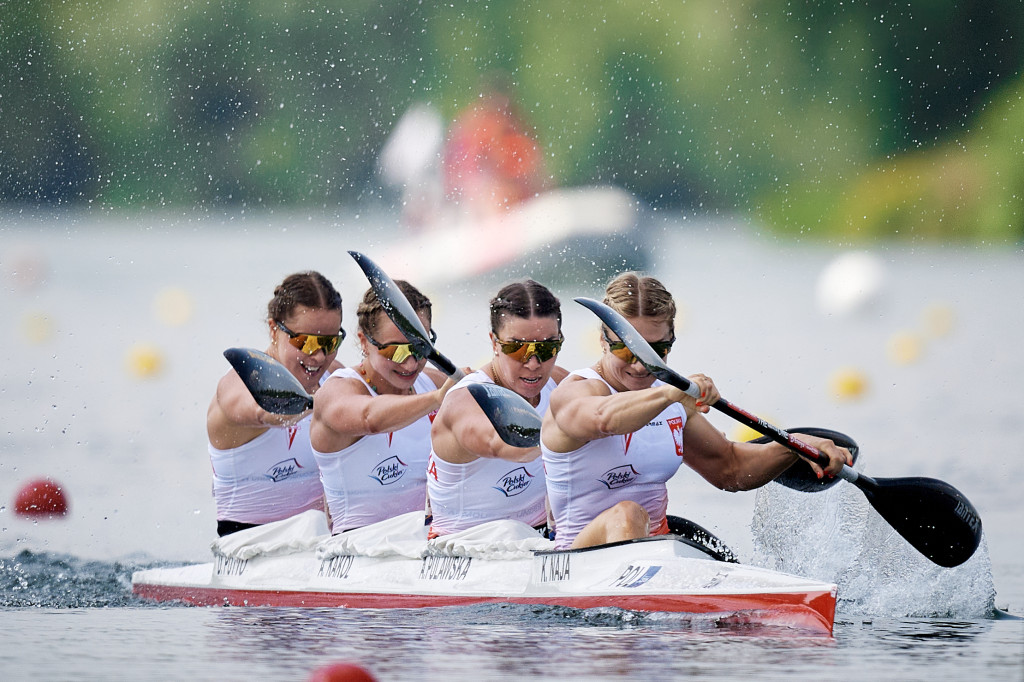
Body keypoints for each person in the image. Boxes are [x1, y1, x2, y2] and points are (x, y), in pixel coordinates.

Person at [540, 272, 853, 550]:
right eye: (626, 349)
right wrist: (670, 393)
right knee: (627, 514)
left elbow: (731, 469)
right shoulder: (576, 394)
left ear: (670, 344)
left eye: (656, 351)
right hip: (576, 562)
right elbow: (604, 419)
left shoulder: (670, 403)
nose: (640, 365)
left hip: (654, 549)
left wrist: (794, 447)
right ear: (603, 340)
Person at [310, 281, 457, 534]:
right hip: (357, 553)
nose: (410, 363)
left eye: (420, 348)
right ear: (364, 342)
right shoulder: (337, 393)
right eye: (395, 351)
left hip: (425, 547)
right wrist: (437, 398)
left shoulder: (434, 383)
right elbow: (370, 419)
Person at [207, 271, 345, 537]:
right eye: (306, 342)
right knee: (314, 524)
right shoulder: (242, 381)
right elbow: (266, 411)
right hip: (248, 546)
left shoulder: (335, 377)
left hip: (319, 544)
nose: (319, 356)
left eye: (331, 342)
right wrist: (329, 404)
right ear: (274, 329)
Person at [427, 280, 568, 537]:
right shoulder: (465, 399)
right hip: (466, 546)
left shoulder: (561, 383)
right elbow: (501, 443)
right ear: (494, 342)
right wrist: (580, 429)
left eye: (547, 347)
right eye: (518, 348)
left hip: (537, 540)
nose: (534, 363)